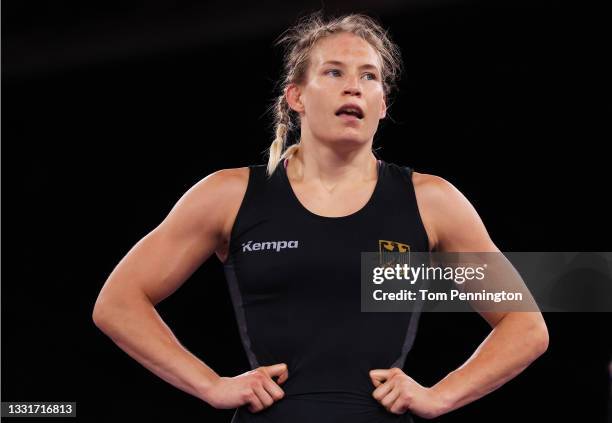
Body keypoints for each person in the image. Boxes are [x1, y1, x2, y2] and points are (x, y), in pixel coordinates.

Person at [92, 12, 549, 423]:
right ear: (296, 97)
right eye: (334, 72)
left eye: (369, 76)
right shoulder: (229, 195)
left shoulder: (431, 201)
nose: (354, 86)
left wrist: (441, 395)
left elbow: (525, 325)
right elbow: (119, 302)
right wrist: (211, 385)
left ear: (382, 104)